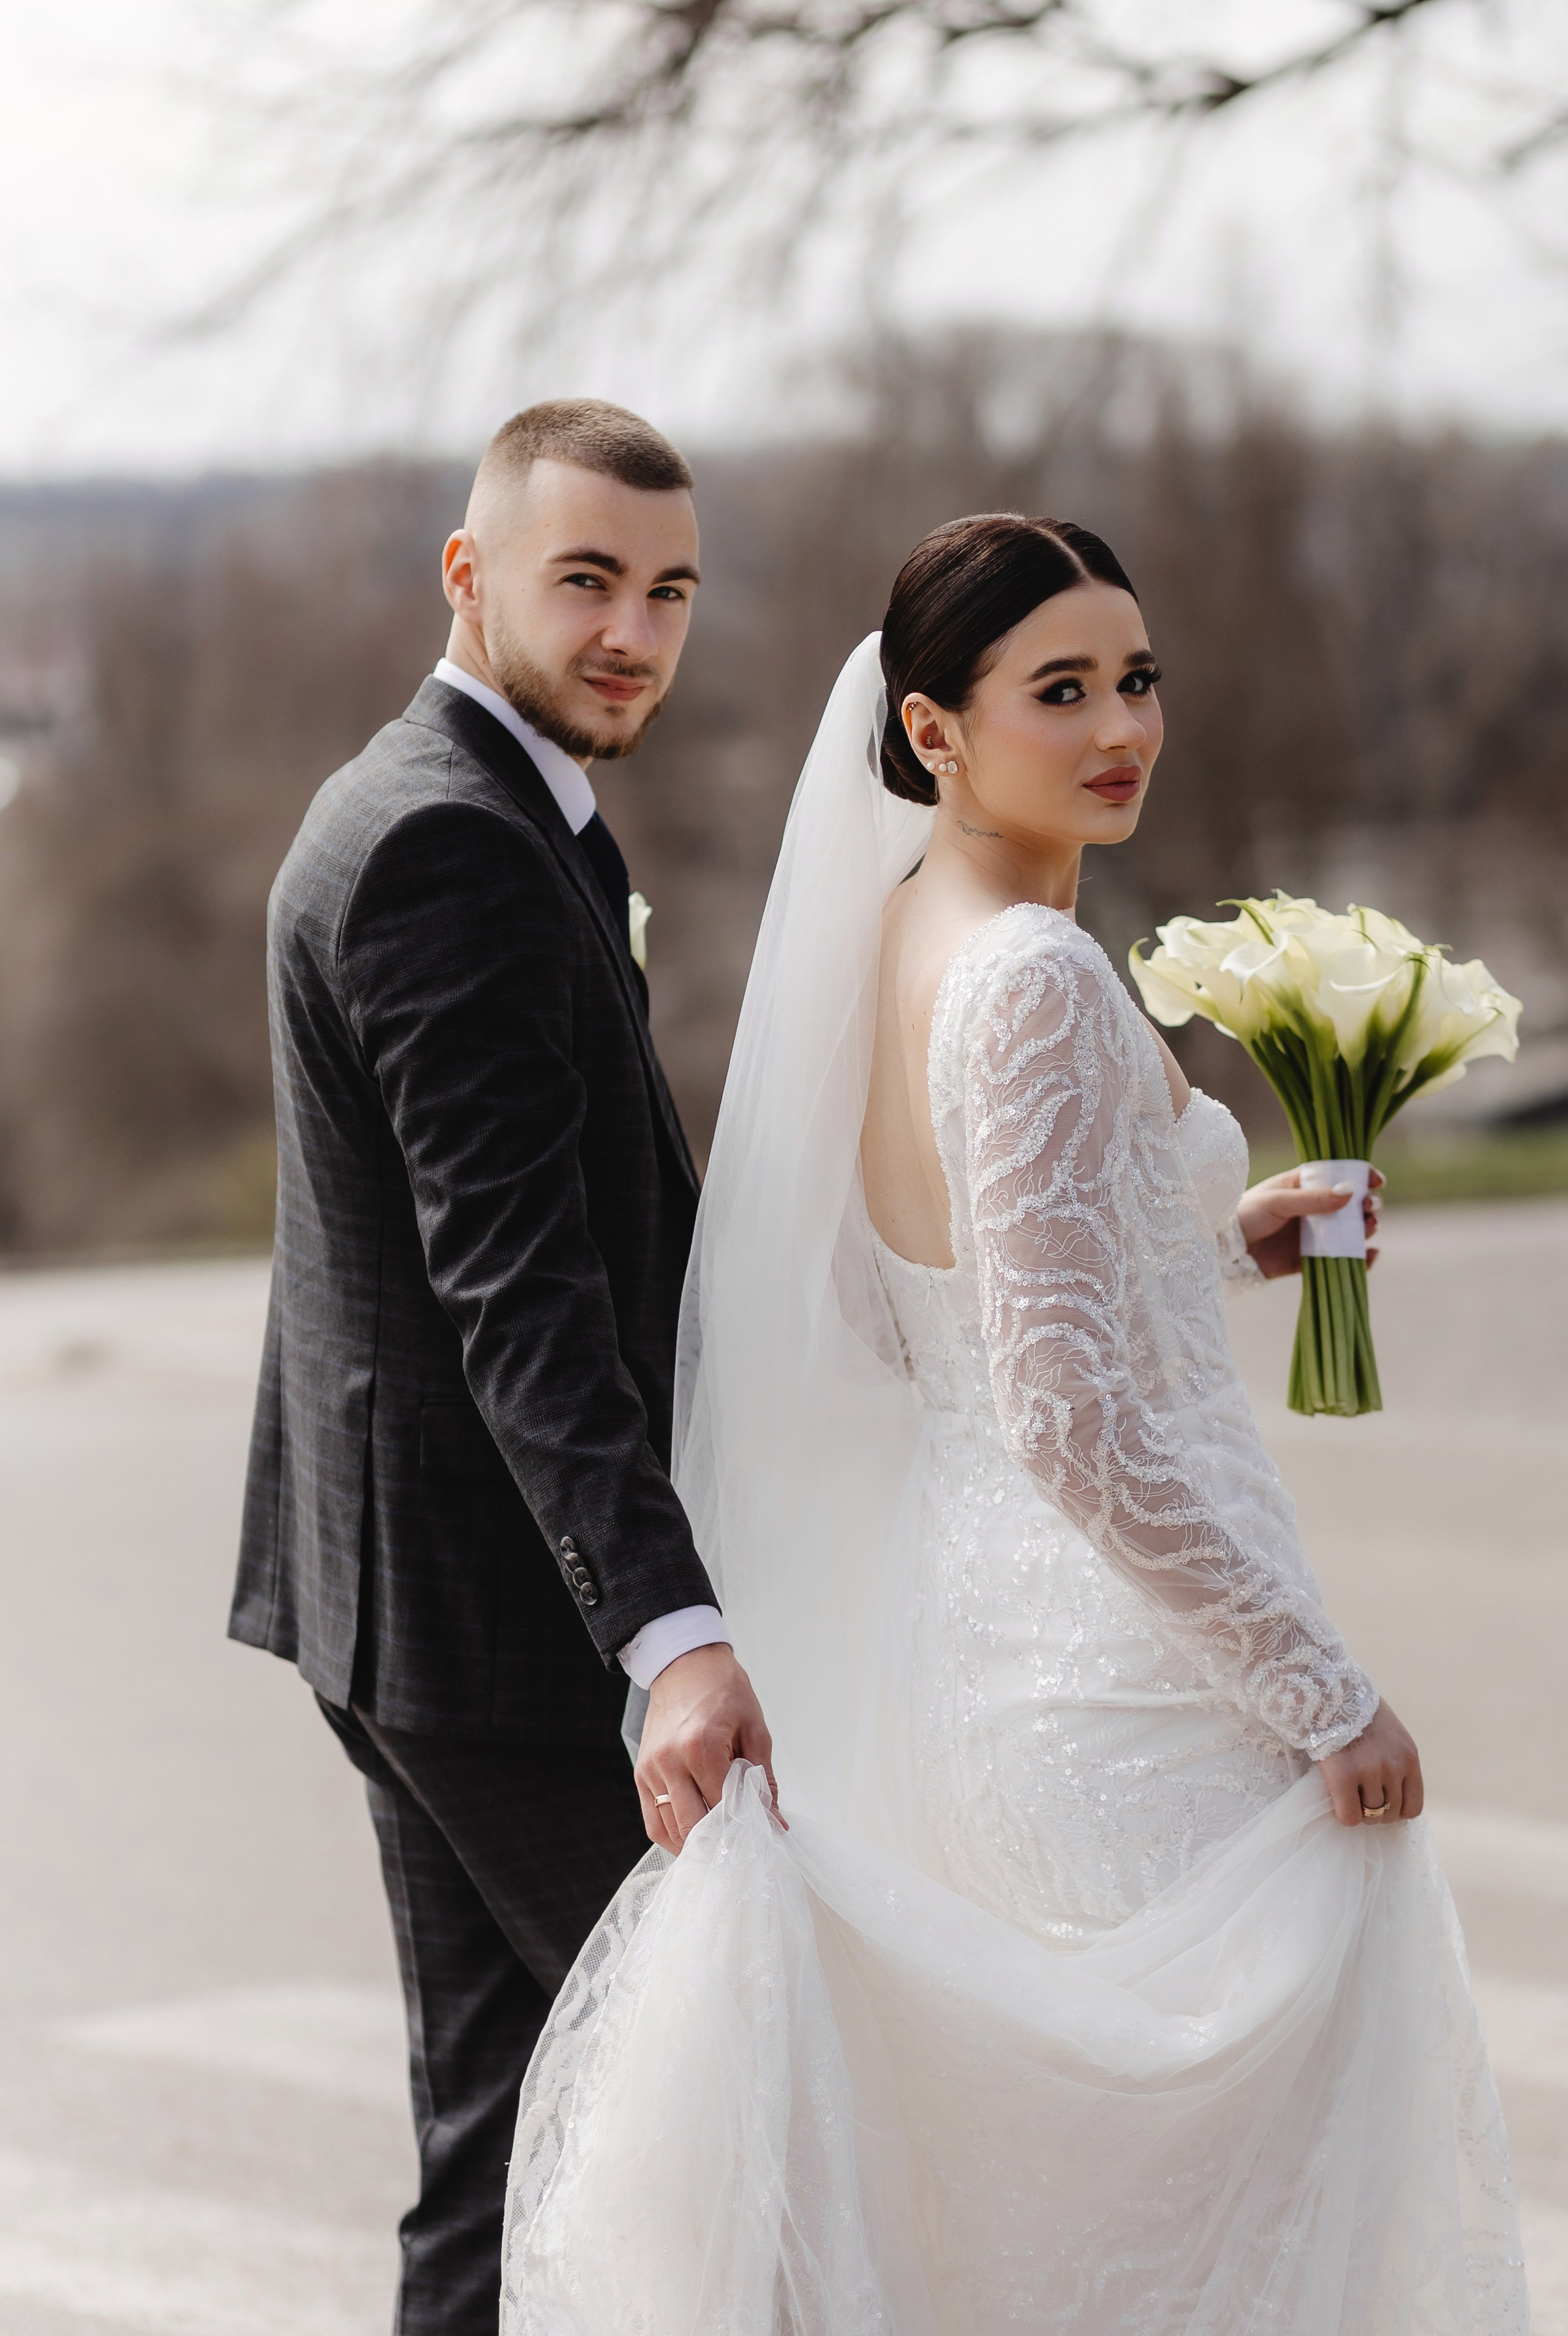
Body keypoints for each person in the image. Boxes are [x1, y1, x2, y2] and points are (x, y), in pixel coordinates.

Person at [500, 515, 1526, 2334]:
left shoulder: (908, 936)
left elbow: (954, 1307)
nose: (1121, 726)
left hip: (986, 1637)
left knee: (1086, 2211)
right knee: (1224, 2227)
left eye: (1137, 679)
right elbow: (1063, 1411)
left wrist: (1222, 1236)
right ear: (935, 731)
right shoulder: (1038, 979)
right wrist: (1320, 1690)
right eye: (1059, 690)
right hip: (1131, 1680)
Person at [228, 398, 774, 2335]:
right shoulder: (449, 847)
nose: (635, 627)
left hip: (407, 1607)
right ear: (471, 574)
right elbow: (514, 1294)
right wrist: (671, 1633)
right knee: (729, 2122)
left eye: (671, 590)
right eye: (589, 581)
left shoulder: (464, 798)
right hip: (493, 1631)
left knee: (505, 2136)